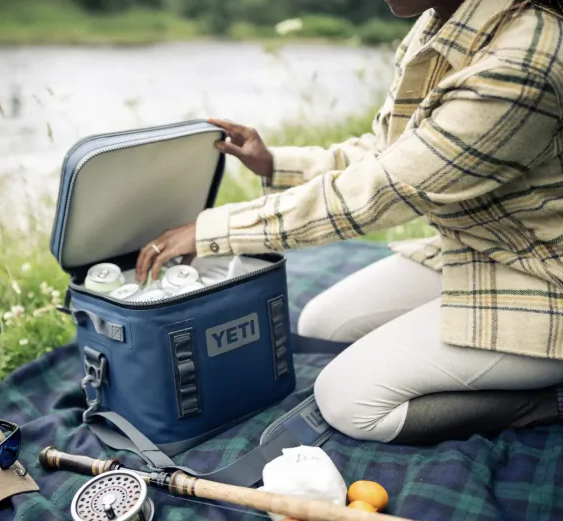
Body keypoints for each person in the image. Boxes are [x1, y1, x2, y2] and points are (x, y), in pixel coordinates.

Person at [134, 0, 563, 445]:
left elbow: (382, 191)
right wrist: (274, 162)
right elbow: (390, 152)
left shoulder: (521, 63)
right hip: (483, 247)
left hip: (546, 276)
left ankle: (549, 400)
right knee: (323, 324)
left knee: (348, 402)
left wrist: (214, 231)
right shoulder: (439, 20)